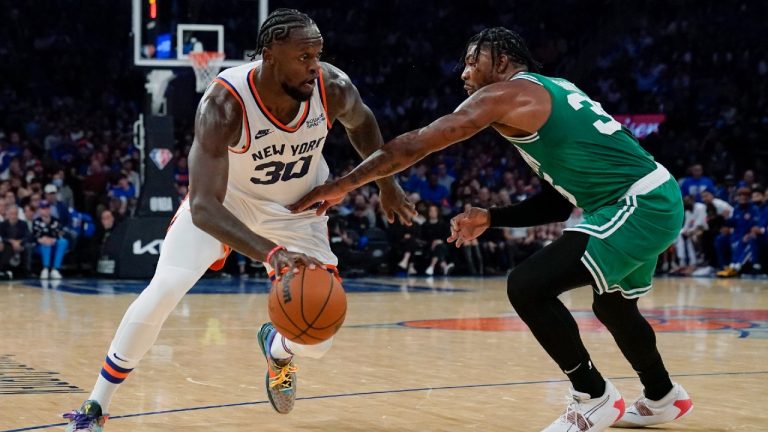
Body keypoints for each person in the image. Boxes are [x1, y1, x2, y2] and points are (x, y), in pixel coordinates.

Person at [291, 27, 693, 431]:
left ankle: (594, 396)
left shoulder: (506, 96)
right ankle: (662, 396)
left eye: (472, 61)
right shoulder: (549, 90)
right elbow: (558, 201)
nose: (464, 73)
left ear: (500, 61)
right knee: (613, 305)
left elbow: (417, 143)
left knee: (527, 286)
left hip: (636, 204)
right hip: (650, 199)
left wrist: (341, 185)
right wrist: (492, 217)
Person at [62, 9, 414, 431]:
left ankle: (278, 347)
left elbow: (364, 125)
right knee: (165, 288)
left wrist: (387, 185)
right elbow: (204, 207)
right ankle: (95, 408)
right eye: (303, 56)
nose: (313, 66)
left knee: (318, 340)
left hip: (297, 210)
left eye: (317, 55)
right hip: (227, 203)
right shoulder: (224, 103)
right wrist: (272, 253)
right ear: (270, 54)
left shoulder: (331, 87)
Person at [33, 200, 69, 279]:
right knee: (46, 243)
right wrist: (43, 239)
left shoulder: (55, 221)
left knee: (63, 242)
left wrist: (53, 239)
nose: (45, 210)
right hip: (40, 246)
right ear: (40, 210)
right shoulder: (36, 221)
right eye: (43, 208)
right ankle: (45, 268)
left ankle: (55, 269)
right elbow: (35, 235)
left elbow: (59, 233)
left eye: (47, 208)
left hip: (54, 243)